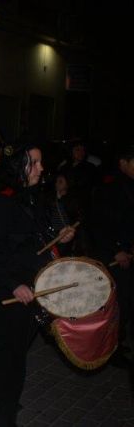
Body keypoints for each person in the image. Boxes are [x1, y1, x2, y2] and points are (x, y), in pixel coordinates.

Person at [0, 142, 75, 426]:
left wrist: (61, 237)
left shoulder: (33, 198)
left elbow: (37, 243)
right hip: (3, 287)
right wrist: (12, 285)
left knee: (11, 346)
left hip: (31, 285)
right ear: (17, 167)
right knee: (13, 354)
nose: (41, 168)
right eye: (34, 163)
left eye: (40, 162)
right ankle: (2, 413)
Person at [90, 144, 134, 354]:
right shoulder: (110, 187)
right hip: (112, 254)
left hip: (126, 252)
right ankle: (110, 346)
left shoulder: (129, 185)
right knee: (117, 301)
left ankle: (117, 342)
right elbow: (99, 224)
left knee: (126, 301)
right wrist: (116, 250)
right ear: (123, 163)